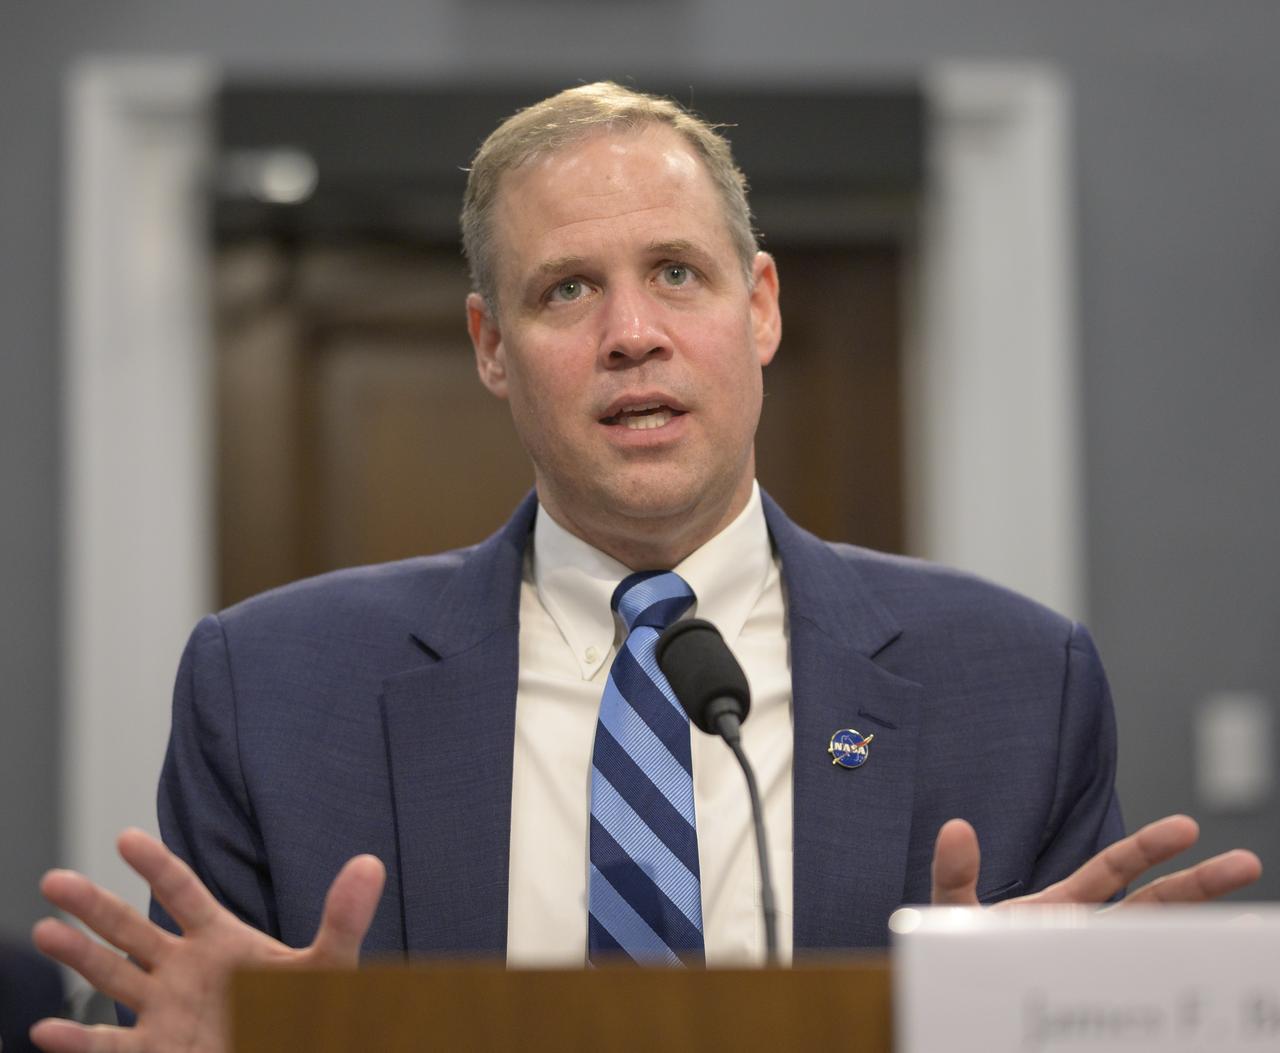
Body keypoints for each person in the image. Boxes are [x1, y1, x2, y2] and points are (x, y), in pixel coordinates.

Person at [31, 82, 1261, 1052]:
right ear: (490, 347)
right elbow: (172, 1022)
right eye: (567, 290)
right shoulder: (275, 686)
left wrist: (1062, 1024)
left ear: (759, 307)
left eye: (676, 273)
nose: (632, 334)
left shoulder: (1012, 681)